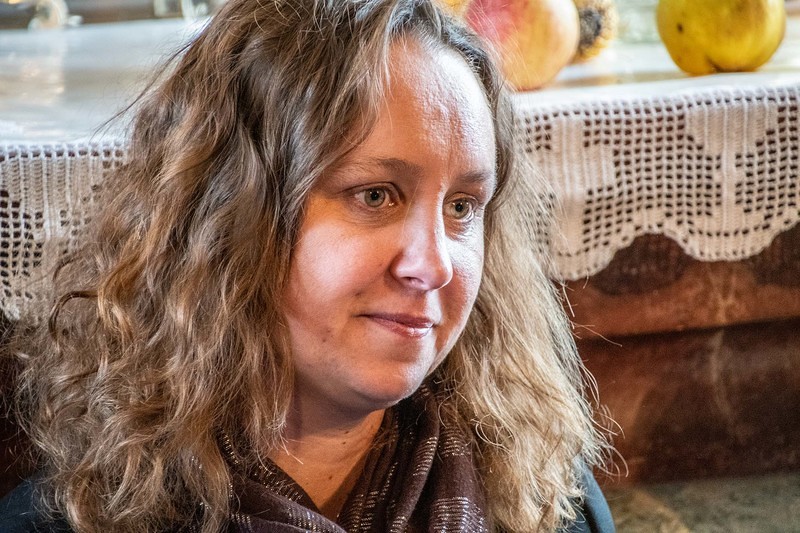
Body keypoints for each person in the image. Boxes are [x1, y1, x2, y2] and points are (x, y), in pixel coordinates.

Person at [0, 0, 613, 531]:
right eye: (375, 195)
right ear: (227, 217)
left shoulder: (549, 504)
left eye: (461, 207)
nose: (433, 267)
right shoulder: (70, 520)